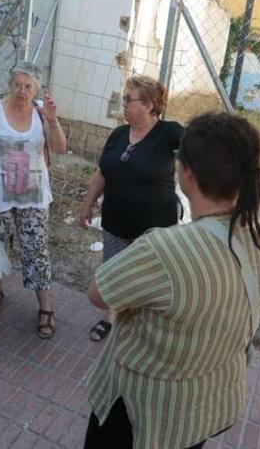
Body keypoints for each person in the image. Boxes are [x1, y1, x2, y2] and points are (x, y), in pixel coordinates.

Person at [83, 112, 260, 448]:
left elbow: (98, 294)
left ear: (186, 172)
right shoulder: (257, 235)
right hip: (198, 409)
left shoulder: (166, 248)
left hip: (139, 411)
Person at [79, 75, 184, 342]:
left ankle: (146, 325)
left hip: (154, 229)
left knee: (149, 277)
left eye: (129, 99)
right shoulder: (117, 134)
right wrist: (87, 204)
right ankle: (112, 317)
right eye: (124, 98)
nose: (123, 103)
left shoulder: (169, 133)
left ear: (149, 105)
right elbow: (102, 172)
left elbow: (201, 152)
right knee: (115, 273)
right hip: (116, 222)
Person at [0, 61, 67, 339]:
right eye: (17, 85)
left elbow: (60, 148)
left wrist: (52, 119)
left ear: (37, 89)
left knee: (35, 249)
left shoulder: (40, 113)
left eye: (29, 86)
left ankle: (45, 306)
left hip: (33, 195)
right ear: (9, 85)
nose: (22, 91)